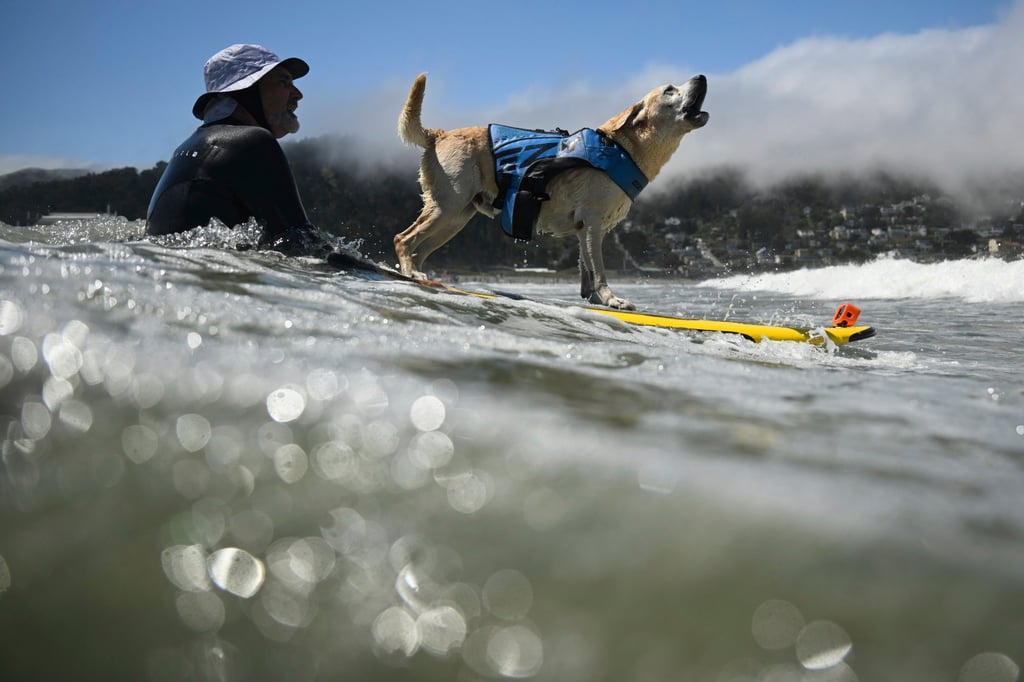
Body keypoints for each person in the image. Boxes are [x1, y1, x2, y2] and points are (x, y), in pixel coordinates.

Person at [147, 44, 330, 255]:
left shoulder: (184, 150)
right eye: (283, 82)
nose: (298, 94)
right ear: (245, 92)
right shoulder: (253, 141)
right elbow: (304, 245)